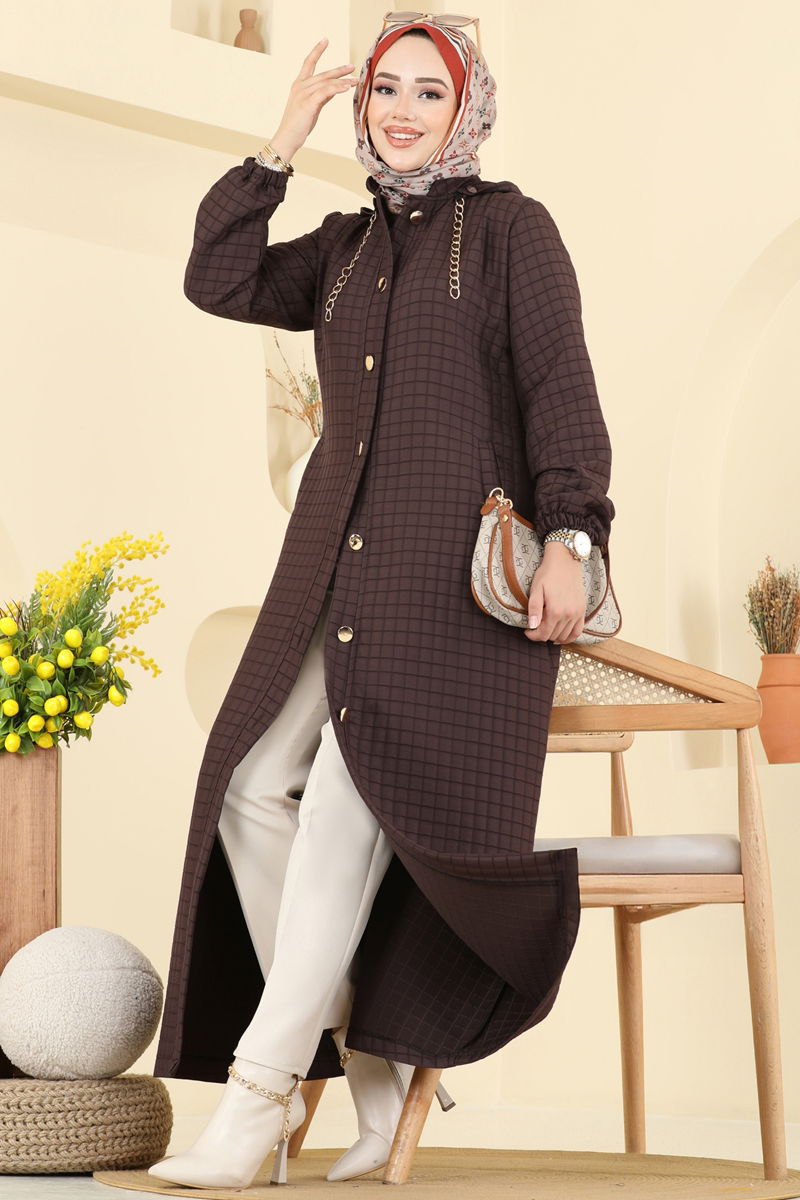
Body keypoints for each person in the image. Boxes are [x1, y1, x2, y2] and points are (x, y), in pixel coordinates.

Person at [149, 13, 615, 1191]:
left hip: (449, 590)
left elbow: (561, 392)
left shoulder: (508, 229)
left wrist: (572, 539)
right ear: (361, 110)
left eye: (428, 92)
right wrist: (279, 138)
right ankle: (367, 1055)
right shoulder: (343, 247)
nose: (403, 111)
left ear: (467, 108)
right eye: (385, 91)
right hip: (331, 567)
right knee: (249, 783)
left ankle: (258, 1099)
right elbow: (219, 278)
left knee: (341, 806)